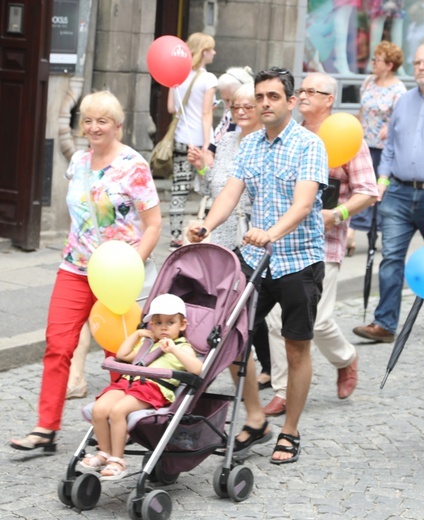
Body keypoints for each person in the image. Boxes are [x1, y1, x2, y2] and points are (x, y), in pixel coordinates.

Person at [187, 67, 327, 465]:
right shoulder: (250, 145)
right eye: (261, 97)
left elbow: (303, 205)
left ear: (291, 100)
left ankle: (290, 431)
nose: (265, 104)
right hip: (255, 261)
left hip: (300, 260)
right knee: (231, 339)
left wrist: (271, 232)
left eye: (273, 97)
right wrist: (206, 225)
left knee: (296, 348)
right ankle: (254, 417)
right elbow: (230, 194)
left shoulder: (308, 145)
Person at [9, 91, 162, 452]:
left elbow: (153, 224)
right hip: (76, 267)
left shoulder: (133, 166)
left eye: (102, 121)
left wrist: (132, 265)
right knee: (58, 344)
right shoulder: (77, 161)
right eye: (88, 121)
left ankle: (112, 423)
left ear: (118, 126)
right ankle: (45, 428)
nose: (93, 127)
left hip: (119, 273)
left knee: (118, 351)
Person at [263, 73, 377, 415]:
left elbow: (369, 191)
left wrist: (337, 214)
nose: (306, 95)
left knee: (320, 320)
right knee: (273, 320)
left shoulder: (347, 135)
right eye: (303, 90)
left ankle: (346, 358)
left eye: (315, 91)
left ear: (330, 99)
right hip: (283, 240)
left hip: (324, 244)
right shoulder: (290, 134)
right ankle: (282, 391)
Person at [353, 41, 424, 343]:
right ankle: (385, 324)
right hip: (399, 192)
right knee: (390, 258)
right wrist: (383, 179)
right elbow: (389, 147)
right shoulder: (404, 101)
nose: (420, 68)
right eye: (417, 63)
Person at [188, 81, 275, 406]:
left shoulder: (263, 144)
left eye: (246, 106)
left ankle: (266, 376)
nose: (239, 111)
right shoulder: (225, 141)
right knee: (231, 315)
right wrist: (200, 167)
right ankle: (249, 378)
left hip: (252, 237)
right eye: (234, 107)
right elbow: (213, 188)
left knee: (248, 315)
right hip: (223, 235)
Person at [79, 294, 202, 480]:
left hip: (152, 388)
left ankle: (118, 460)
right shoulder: (148, 346)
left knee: (118, 411)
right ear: (151, 325)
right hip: (128, 383)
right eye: (158, 323)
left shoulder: (182, 347)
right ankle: (104, 453)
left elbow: (197, 369)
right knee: (99, 409)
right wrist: (138, 334)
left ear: (182, 325)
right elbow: (123, 354)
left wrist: (173, 350)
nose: (164, 328)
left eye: (170, 323)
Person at [347, 41, 407, 256]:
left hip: (383, 149)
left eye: (377, 60)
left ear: (389, 65)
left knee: (375, 191)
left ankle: (365, 232)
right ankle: (352, 232)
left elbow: (401, 120)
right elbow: (362, 110)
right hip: (363, 143)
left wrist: (390, 128)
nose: (372, 63)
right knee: (357, 187)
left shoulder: (398, 90)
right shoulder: (368, 82)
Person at [167, 32, 218, 251]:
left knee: (179, 189)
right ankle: (205, 232)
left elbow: (171, 108)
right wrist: (208, 144)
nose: (214, 53)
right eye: (212, 49)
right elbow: (207, 114)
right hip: (198, 139)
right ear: (204, 52)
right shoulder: (208, 79)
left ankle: (176, 237)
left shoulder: (176, 75)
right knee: (210, 186)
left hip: (180, 138)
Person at [211, 66, 254, 148]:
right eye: (225, 100)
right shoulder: (229, 112)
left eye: (229, 100)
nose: (227, 106)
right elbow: (219, 135)